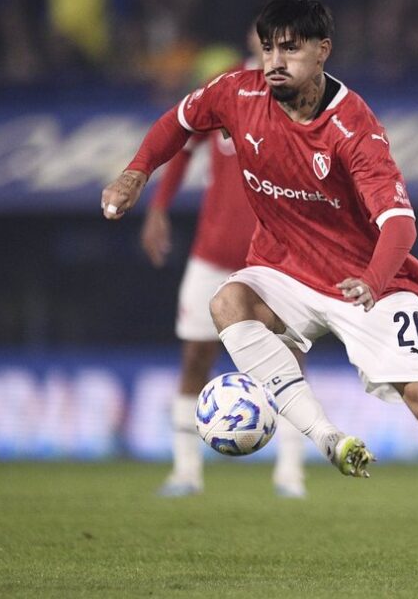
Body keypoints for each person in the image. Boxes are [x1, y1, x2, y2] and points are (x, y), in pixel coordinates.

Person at [102, 0, 418, 581]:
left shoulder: (354, 128)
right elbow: (179, 122)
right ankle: (327, 438)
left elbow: (400, 224)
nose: (275, 61)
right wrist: (136, 171)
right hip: (284, 269)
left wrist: (374, 281)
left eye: (291, 48)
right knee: (227, 301)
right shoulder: (239, 92)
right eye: (268, 48)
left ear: (322, 51)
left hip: (367, 281)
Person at [141, 27, 306, 498]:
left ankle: (290, 473)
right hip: (212, 254)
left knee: (288, 359)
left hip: (275, 257)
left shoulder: (304, 96)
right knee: (196, 355)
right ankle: (186, 472)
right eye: (265, 35)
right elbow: (180, 144)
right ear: (253, 41)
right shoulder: (224, 88)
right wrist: (157, 209)